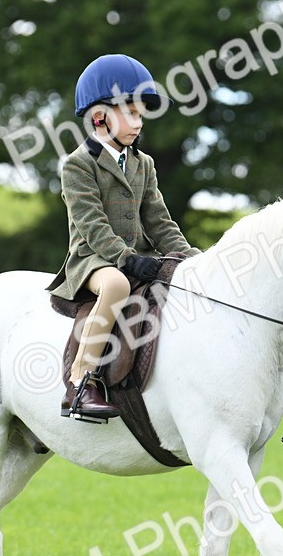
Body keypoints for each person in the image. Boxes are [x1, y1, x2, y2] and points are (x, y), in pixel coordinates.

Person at [49, 54, 202, 421]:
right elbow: (92, 225)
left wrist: (190, 256)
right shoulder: (77, 164)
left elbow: (159, 221)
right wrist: (126, 257)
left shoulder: (143, 164)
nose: (138, 122)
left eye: (141, 115)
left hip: (138, 255)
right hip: (93, 261)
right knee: (116, 285)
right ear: (100, 117)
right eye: (130, 113)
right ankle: (81, 383)